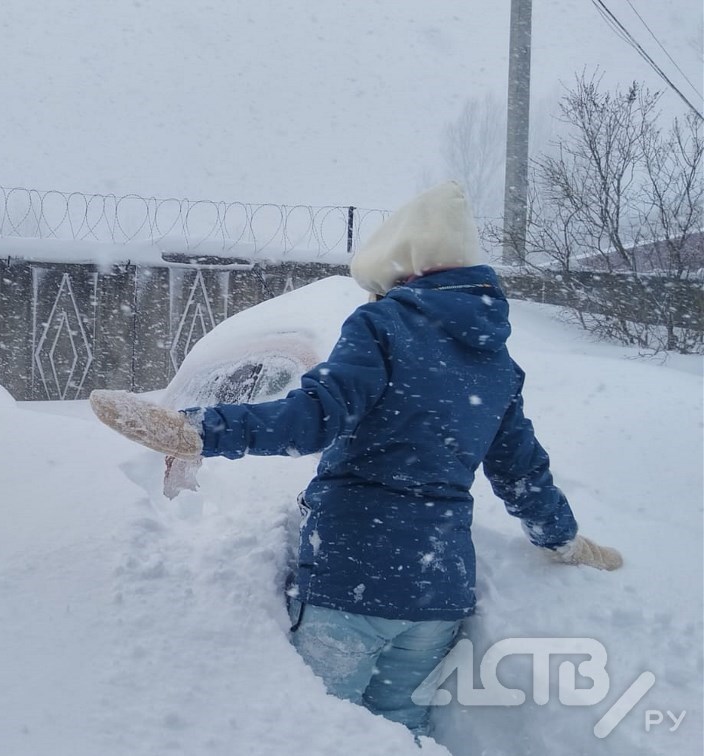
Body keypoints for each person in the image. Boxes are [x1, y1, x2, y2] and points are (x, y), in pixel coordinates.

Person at [88, 180, 622, 737]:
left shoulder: (382, 326)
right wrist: (565, 540)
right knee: (403, 732)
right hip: (439, 595)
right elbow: (521, 473)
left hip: (353, 578)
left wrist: (198, 430)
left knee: (319, 733)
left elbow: (312, 418)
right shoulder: (497, 363)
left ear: (403, 264)